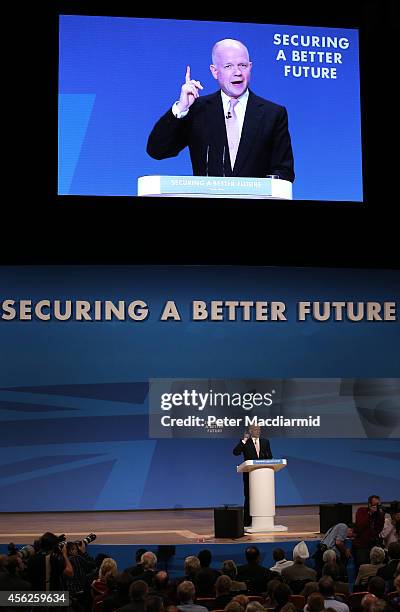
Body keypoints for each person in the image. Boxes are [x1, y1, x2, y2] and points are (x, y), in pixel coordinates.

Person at [147, 39, 294, 181]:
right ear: (215, 71)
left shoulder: (273, 114)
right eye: (228, 66)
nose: (238, 72)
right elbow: (157, 150)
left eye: (242, 65)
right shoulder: (197, 110)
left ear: (250, 67)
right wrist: (181, 107)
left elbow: (284, 171)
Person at [233, 425, 272, 526]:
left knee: (264, 496)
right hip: (250, 475)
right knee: (249, 497)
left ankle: (263, 520)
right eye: (255, 429)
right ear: (250, 431)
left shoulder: (265, 442)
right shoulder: (246, 442)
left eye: (259, 429)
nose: (258, 431)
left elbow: (270, 457)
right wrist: (244, 440)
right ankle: (247, 522)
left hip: (263, 476)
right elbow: (235, 452)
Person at [353, 496, 386, 569]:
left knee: (375, 568)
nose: (376, 506)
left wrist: (380, 515)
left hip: (373, 545)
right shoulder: (361, 511)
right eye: (375, 504)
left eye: (378, 504)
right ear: (369, 504)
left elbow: (379, 529)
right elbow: (360, 526)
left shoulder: (379, 515)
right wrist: (370, 514)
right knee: (362, 567)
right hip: (362, 546)